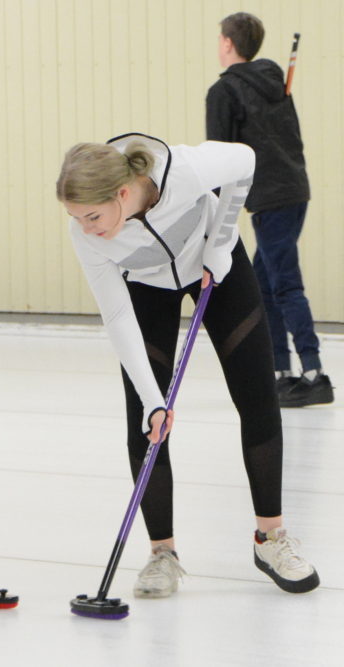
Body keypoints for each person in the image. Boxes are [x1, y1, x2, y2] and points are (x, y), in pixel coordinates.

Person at [56, 133, 319, 599]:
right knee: (145, 423)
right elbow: (116, 316)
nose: (86, 229)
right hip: (146, 288)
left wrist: (222, 239)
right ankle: (162, 553)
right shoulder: (87, 236)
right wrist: (153, 401)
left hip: (218, 267)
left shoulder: (182, 170)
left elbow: (245, 159)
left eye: (92, 216)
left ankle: (270, 539)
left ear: (122, 193)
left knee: (258, 396)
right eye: (76, 218)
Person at [206, 12, 334, 408]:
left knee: (285, 285)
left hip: (271, 198)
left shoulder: (223, 91)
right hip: (294, 191)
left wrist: (214, 216)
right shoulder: (276, 82)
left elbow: (219, 158)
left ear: (228, 43)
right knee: (264, 283)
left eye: (220, 39)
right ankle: (280, 372)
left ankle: (314, 373)